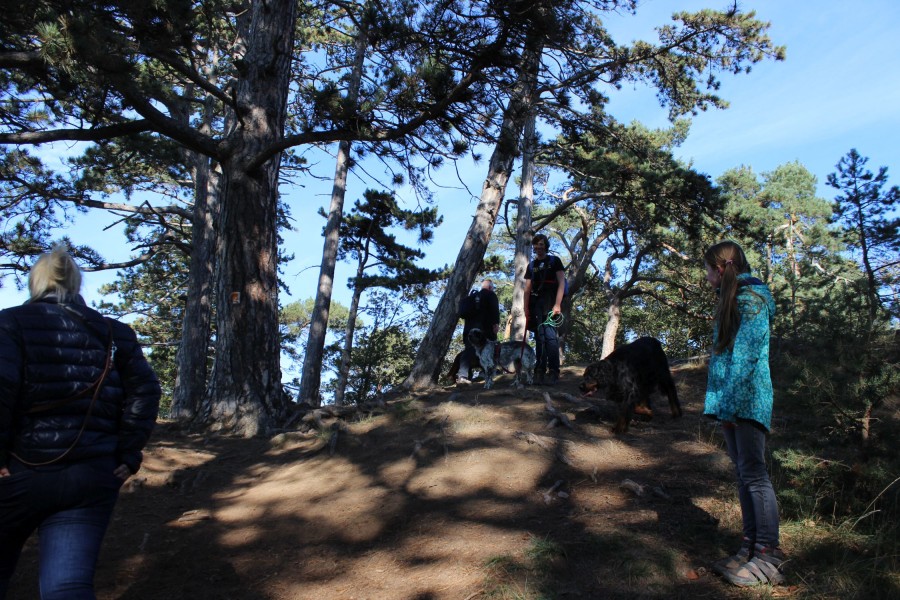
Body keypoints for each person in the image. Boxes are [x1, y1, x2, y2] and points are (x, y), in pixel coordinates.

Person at [0, 248, 161, 599]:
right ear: (75, 283)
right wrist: (127, 452)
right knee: (66, 587)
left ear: (35, 283)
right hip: (91, 474)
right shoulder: (114, 332)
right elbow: (145, 391)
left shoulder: (9, 324)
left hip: (21, 471)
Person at [703, 240, 786, 587]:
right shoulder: (734, 298)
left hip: (748, 401)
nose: (706, 276)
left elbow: (748, 356)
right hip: (732, 402)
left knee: (754, 474)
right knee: (744, 474)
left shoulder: (751, 299)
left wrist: (732, 406)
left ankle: (769, 556)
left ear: (721, 268)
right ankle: (750, 547)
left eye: (708, 269)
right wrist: (723, 405)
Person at [524, 234, 565, 386]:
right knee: (539, 338)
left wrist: (557, 304)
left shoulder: (554, 261)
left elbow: (561, 282)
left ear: (546, 246)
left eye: (541, 244)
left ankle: (553, 371)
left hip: (551, 302)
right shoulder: (531, 265)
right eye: (536, 245)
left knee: (550, 337)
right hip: (536, 304)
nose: (538, 247)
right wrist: (525, 309)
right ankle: (539, 370)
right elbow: (527, 289)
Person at [458, 279, 500, 384]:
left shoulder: (471, 298)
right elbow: (494, 310)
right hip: (485, 330)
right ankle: (486, 371)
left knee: (469, 350)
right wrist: (496, 324)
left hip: (468, 330)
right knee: (490, 349)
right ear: (490, 287)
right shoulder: (490, 295)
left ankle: (462, 375)